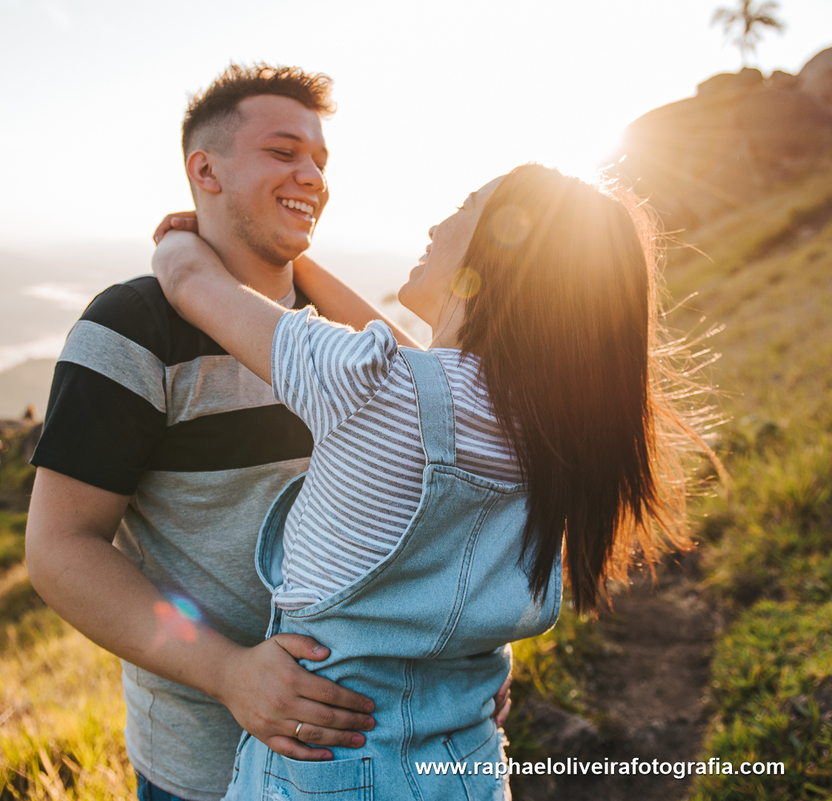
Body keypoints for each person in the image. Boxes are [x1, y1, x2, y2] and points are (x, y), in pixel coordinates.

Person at [24, 63, 508, 801]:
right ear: (205, 171)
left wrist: (468, 653)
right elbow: (60, 549)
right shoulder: (132, 327)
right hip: (203, 768)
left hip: (389, 750)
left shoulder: (346, 345)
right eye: (284, 153)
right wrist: (228, 672)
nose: (312, 176)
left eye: (320, 160)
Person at [149, 163, 707, 799]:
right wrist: (293, 261)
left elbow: (190, 282)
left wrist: (179, 238)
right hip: (466, 761)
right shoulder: (555, 426)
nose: (438, 225)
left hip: (330, 770)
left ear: (502, 248)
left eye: (465, 206)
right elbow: (417, 373)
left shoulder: (373, 387)